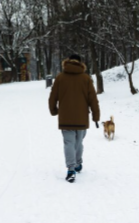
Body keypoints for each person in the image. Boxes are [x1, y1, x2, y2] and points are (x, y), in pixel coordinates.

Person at [48, 54, 100, 183]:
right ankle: (77, 163)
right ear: (80, 63)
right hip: (82, 117)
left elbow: (53, 97)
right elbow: (92, 99)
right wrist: (95, 116)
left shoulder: (60, 78)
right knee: (78, 142)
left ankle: (71, 169)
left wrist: (54, 111)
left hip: (65, 117)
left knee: (68, 143)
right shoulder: (86, 78)